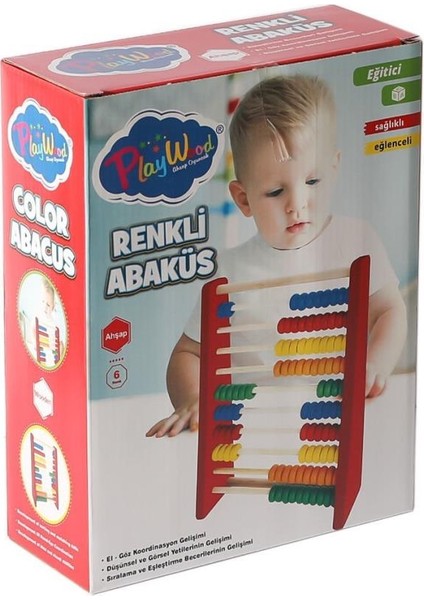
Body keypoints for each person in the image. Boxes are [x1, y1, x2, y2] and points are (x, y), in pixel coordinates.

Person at [146, 74, 407, 438]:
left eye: (312, 181)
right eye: (274, 192)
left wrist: (376, 363)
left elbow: (389, 310)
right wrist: (192, 399)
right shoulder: (229, 272)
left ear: (334, 168)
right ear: (244, 199)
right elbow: (187, 354)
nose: (297, 204)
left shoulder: (356, 241)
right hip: (255, 436)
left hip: (343, 425)